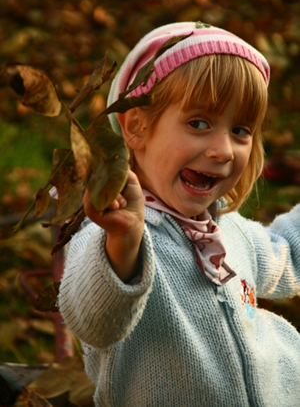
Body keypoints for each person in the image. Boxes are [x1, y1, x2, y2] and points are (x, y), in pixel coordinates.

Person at [58, 22, 300, 407]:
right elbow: (92, 322)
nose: (223, 150)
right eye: (199, 123)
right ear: (137, 126)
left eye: (240, 129)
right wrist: (123, 243)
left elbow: (285, 252)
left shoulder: (231, 230)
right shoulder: (112, 235)